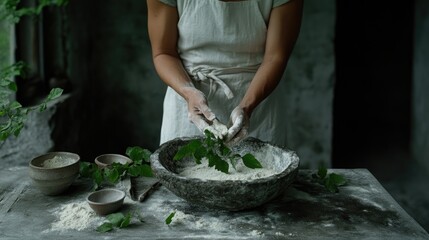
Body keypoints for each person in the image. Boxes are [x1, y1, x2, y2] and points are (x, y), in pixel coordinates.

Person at [147, 0, 303, 146]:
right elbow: (163, 52)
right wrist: (188, 92)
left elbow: (275, 57)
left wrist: (247, 107)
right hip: (187, 102)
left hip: (259, 105)